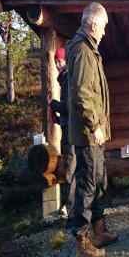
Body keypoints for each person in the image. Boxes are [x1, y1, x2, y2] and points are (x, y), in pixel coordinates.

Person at [66, 2, 118, 257]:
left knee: (98, 180)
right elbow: (83, 95)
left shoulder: (88, 50)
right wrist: (95, 126)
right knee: (87, 184)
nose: (105, 33)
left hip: (93, 133)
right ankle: (83, 242)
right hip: (88, 134)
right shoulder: (84, 52)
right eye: (104, 27)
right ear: (93, 24)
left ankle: (97, 231)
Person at [49, 47, 76, 223]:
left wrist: (53, 104)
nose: (58, 65)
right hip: (68, 128)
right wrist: (58, 120)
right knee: (71, 169)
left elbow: (68, 106)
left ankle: (72, 211)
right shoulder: (65, 78)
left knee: (70, 170)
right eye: (56, 62)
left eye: (60, 61)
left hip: (71, 133)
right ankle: (72, 209)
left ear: (66, 61)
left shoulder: (67, 79)